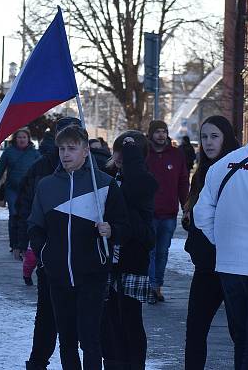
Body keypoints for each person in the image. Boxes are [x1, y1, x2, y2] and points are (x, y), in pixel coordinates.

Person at [28, 124, 128, 370]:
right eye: (61, 148)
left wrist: (111, 230)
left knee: (90, 339)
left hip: (92, 273)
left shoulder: (104, 184)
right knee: (67, 340)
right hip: (58, 275)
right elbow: (35, 226)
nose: (65, 154)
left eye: (72, 148)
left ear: (85, 151)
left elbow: (123, 225)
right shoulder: (46, 186)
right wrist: (45, 257)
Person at [15, 116, 81, 370]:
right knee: (47, 313)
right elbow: (25, 207)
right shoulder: (42, 167)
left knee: (80, 316)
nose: (67, 147)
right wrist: (23, 242)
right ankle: (38, 360)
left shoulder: (93, 171)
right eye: (63, 138)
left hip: (83, 256)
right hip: (50, 254)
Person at [182, 116, 240, 369]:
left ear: (226, 137)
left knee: (239, 333)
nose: (207, 142)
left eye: (214, 136)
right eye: (204, 136)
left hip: (233, 266)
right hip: (205, 266)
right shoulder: (202, 171)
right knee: (195, 331)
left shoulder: (237, 170)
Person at [194, 124, 248, 370]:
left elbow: (201, 213)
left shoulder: (223, 165)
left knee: (241, 336)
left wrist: (223, 241)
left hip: (231, 264)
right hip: (233, 261)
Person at [100, 131, 157, 369]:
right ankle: (114, 363)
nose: (122, 157)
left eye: (129, 153)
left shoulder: (144, 183)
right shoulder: (107, 178)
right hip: (108, 259)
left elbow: (144, 232)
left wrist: (132, 153)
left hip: (133, 260)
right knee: (110, 320)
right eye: (119, 151)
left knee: (131, 319)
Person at [146, 119, 190, 304]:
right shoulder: (144, 153)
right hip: (149, 212)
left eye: (164, 131)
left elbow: (183, 182)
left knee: (163, 252)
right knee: (151, 251)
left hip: (169, 213)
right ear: (151, 134)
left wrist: (186, 207)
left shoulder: (176, 154)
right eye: (157, 131)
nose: (161, 135)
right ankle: (151, 287)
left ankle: (157, 286)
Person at [0, 128, 40, 254]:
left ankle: (23, 243)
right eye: (19, 137)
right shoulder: (8, 152)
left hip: (28, 190)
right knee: (14, 214)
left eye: (24, 137)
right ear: (15, 139)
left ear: (28, 139)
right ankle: (14, 244)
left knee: (27, 216)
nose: (22, 139)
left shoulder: (35, 154)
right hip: (12, 189)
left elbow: (40, 171)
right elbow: (0, 169)